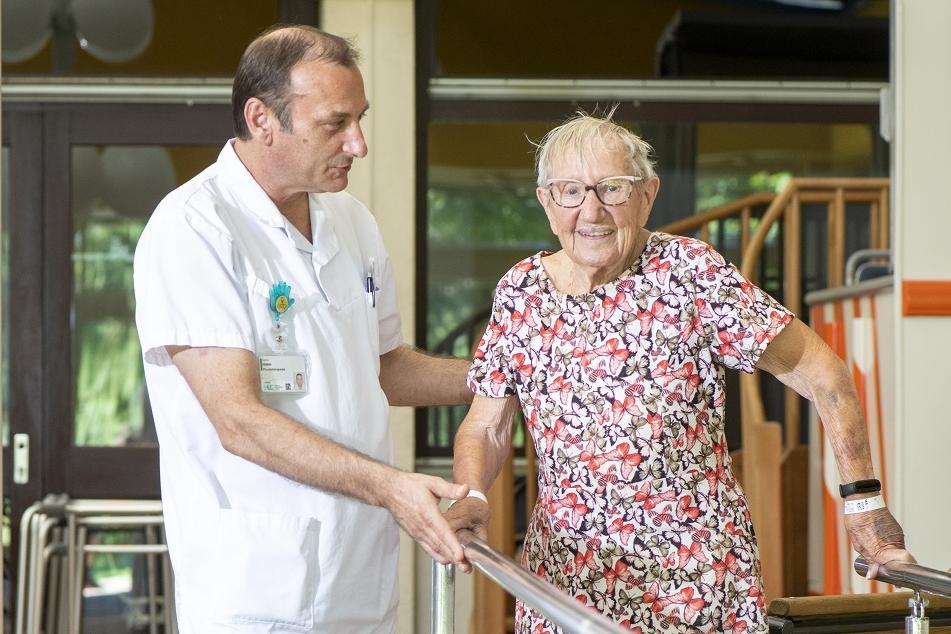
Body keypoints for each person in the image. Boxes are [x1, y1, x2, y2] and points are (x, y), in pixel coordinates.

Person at [445, 112, 913, 633]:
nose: (591, 210)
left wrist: (863, 503)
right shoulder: (521, 292)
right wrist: (472, 496)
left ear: (648, 194)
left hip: (694, 580)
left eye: (612, 189)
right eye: (570, 191)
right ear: (546, 202)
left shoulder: (689, 272)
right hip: (567, 581)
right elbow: (485, 423)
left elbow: (823, 373)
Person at [133, 25, 473, 633]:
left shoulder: (352, 221)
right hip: (257, 588)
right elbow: (238, 420)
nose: (359, 144)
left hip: (360, 580)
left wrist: (515, 377)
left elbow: (384, 367)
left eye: (360, 119)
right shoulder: (193, 227)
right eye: (335, 124)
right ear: (262, 118)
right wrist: (392, 488)